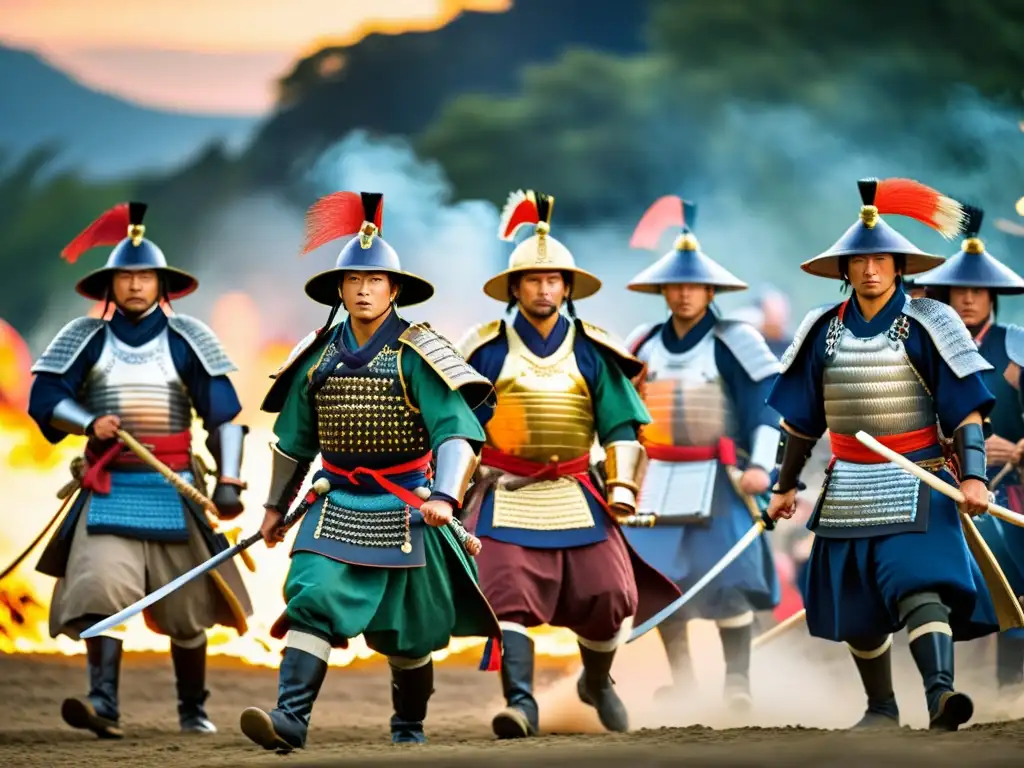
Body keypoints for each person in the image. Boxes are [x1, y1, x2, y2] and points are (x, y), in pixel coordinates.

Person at [239, 191, 501, 752]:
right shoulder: (314, 355)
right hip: (333, 504)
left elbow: (457, 430)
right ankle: (290, 721)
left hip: (408, 508)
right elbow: (293, 441)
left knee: (409, 635)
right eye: (353, 279)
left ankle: (408, 726)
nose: (363, 289)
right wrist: (271, 510)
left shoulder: (419, 352)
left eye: (375, 279)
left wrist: (447, 500)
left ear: (394, 288)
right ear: (338, 288)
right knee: (311, 598)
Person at [765, 177, 1017, 732]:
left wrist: (973, 477)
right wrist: (784, 486)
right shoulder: (819, 331)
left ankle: (940, 696)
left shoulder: (934, 322)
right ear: (844, 269)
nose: (871, 269)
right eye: (860, 260)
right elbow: (800, 422)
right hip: (849, 483)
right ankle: (880, 706)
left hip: (921, 479)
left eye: (881, 258)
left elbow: (964, 410)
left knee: (918, 581)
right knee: (855, 600)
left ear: (899, 265)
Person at [457, 189, 680, 739]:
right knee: (505, 592)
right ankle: (522, 703)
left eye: (553, 279)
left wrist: (624, 488)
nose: (544, 288)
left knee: (611, 594)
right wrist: (452, 488)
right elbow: (456, 426)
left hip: (578, 489)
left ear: (566, 286)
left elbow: (622, 425)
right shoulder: (483, 349)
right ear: (515, 287)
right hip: (505, 490)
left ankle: (596, 682)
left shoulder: (593, 349)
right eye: (534, 279)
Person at [27, 201, 253, 738]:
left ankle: (193, 709)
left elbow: (224, 416)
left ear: (161, 284)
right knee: (99, 587)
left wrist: (229, 485)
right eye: (125, 276)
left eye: (144, 276)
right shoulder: (83, 338)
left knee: (189, 607)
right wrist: (87, 422)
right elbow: (45, 396)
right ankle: (103, 703)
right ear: (110, 285)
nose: (134, 285)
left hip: (174, 489)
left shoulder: (189, 339)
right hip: (109, 489)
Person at [620, 196, 781, 710]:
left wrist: (760, 466)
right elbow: (624, 413)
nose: (685, 294)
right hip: (656, 476)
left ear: (710, 290)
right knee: (660, 582)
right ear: (663, 290)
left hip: (721, 477)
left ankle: (738, 683)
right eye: (676, 286)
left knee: (729, 577)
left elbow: (766, 410)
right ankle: (683, 680)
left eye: (694, 286)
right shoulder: (642, 343)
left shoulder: (737, 341)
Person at [914, 204, 1024, 701]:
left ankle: (1011, 686)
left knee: (1015, 583)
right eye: (961, 291)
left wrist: (1020, 451)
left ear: (992, 296)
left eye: (978, 291)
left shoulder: (1016, 347)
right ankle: (941, 686)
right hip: (940, 484)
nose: (970, 300)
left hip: (1010, 490)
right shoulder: (927, 346)